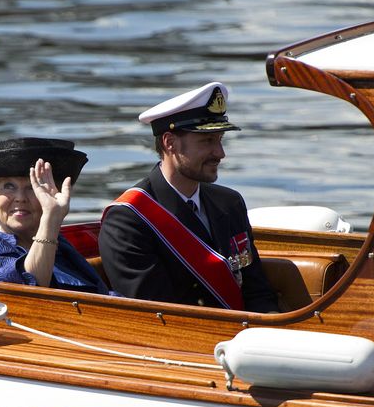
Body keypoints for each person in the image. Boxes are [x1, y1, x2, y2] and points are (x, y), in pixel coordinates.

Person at [98, 82, 279, 312]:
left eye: (220, 140)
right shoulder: (128, 220)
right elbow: (157, 314)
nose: (220, 154)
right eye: (207, 141)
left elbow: (256, 291)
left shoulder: (230, 203)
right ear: (169, 143)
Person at [0, 138, 115, 295]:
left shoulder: (59, 244)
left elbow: (97, 292)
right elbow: (25, 292)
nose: (20, 197)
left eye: (32, 187)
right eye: (9, 186)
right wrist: (50, 218)